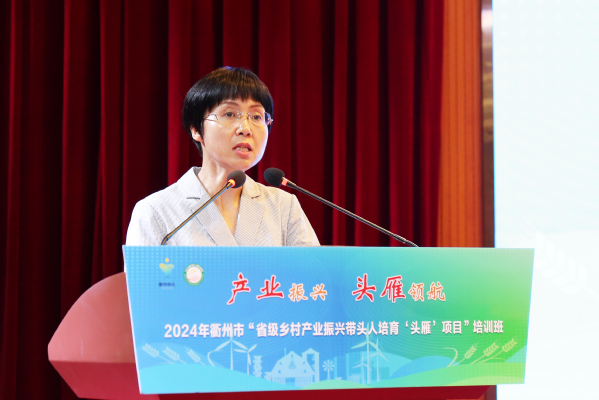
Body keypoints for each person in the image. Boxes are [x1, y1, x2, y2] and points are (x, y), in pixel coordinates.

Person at [126, 67, 319, 246]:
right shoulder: (156, 211)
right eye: (230, 114)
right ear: (196, 130)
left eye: (256, 117)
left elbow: (314, 272)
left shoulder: (284, 207)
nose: (245, 129)